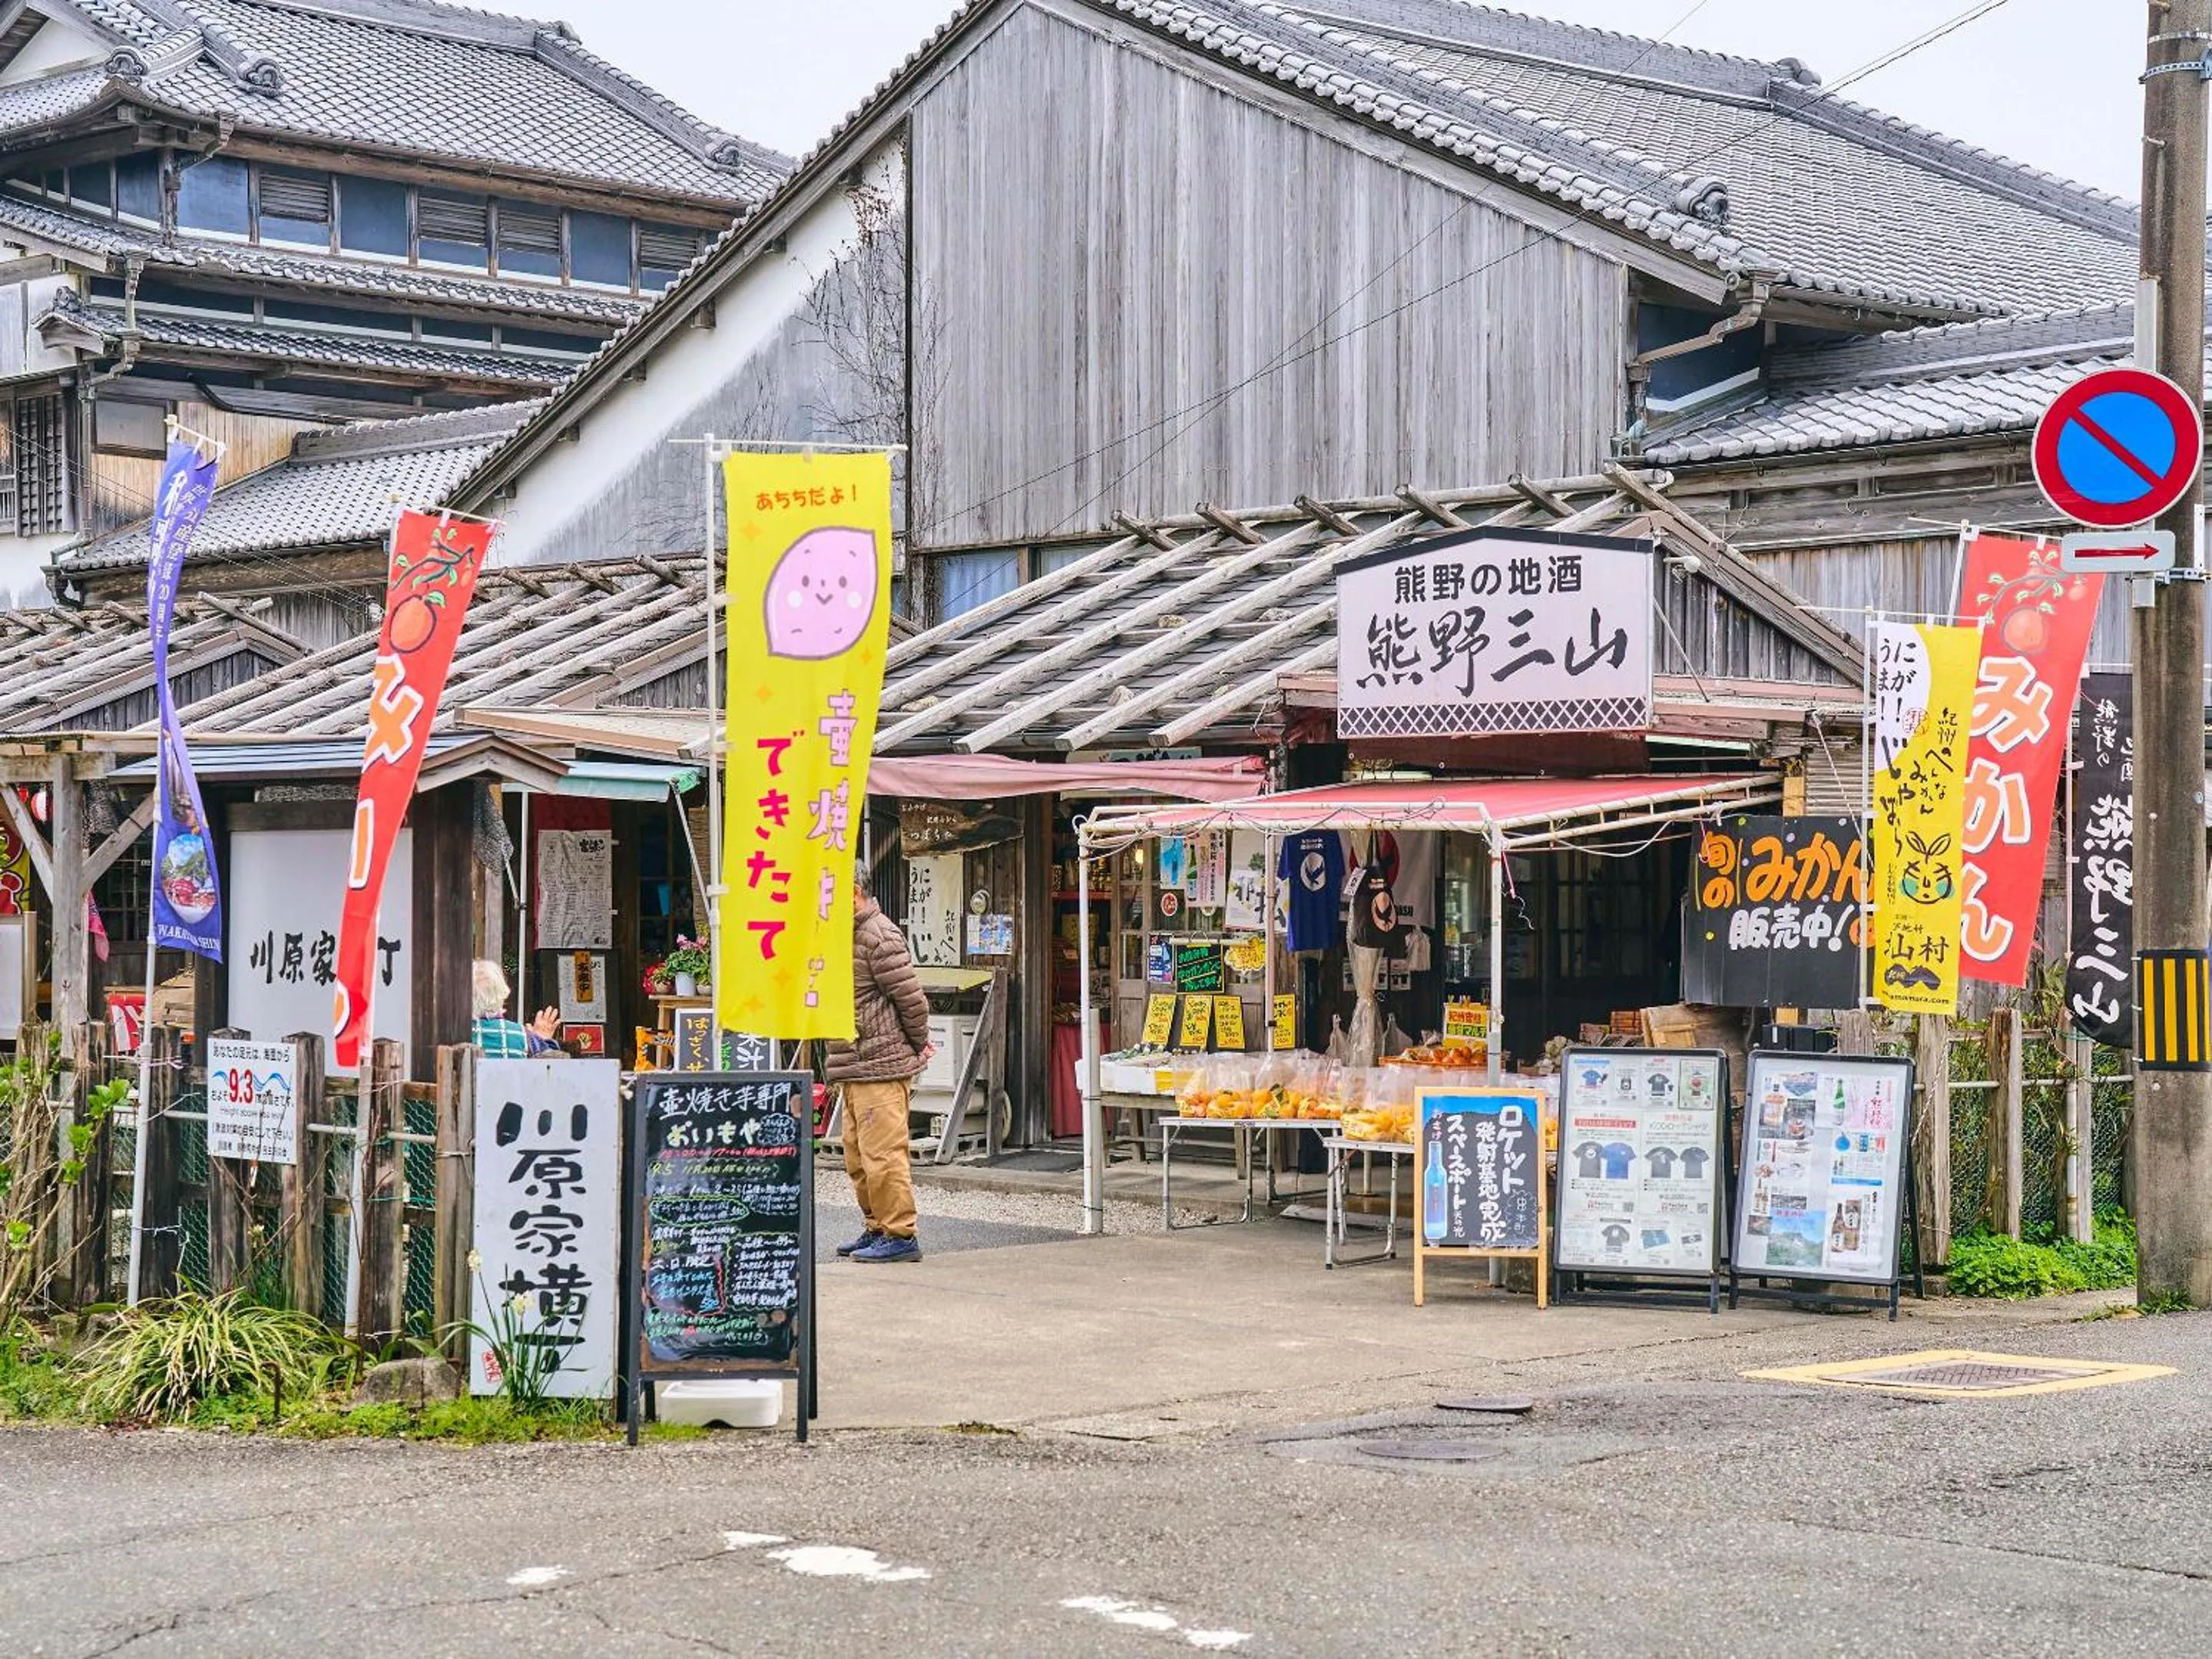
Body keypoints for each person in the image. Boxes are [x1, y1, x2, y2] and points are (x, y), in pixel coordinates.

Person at [825, 868, 934, 1263]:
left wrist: (919, 1046)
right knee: (857, 1157)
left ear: (853, 893)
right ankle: (876, 1227)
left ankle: (900, 1234)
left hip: (881, 1065)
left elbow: (912, 1001)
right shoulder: (847, 935)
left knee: (883, 1155)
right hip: (855, 1065)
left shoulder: (879, 935)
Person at [471, 959, 562, 1057]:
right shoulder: (524, 1036)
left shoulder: (455, 1036)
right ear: (502, 992)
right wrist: (542, 1039)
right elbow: (551, 1066)